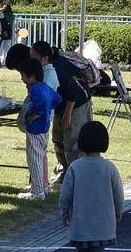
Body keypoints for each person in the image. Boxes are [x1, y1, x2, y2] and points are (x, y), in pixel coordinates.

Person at [58, 119, 126, 252]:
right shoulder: (109, 167)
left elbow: (66, 193)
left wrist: (64, 211)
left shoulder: (75, 167)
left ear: (81, 142)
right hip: (102, 223)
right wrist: (118, 210)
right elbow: (118, 193)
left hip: (80, 222)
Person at [33, 40, 92, 175]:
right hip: (61, 106)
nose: (32, 61)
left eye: (34, 57)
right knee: (58, 139)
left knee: (72, 141)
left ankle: (76, 175)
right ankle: (64, 171)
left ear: (45, 58)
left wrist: (67, 115)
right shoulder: (43, 69)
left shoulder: (56, 69)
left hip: (77, 103)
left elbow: (73, 91)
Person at [18, 60, 60, 198]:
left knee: (34, 159)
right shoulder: (45, 87)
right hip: (44, 127)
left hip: (35, 128)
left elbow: (42, 102)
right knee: (40, 156)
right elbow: (57, 99)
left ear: (31, 76)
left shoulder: (35, 89)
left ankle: (37, 191)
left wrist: (37, 114)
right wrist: (46, 111)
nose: (22, 79)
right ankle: (42, 187)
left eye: (23, 76)